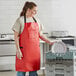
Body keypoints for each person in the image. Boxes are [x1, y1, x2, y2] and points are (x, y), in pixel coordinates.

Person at [12, 1, 55, 76]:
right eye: (34, 10)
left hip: (34, 51)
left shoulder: (37, 20)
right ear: (28, 9)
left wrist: (49, 41)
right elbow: (16, 37)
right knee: (21, 71)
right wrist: (18, 50)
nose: (36, 12)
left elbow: (40, 34)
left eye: (36, 11)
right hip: (24, 52)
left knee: (33, 72)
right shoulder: (20, 20)